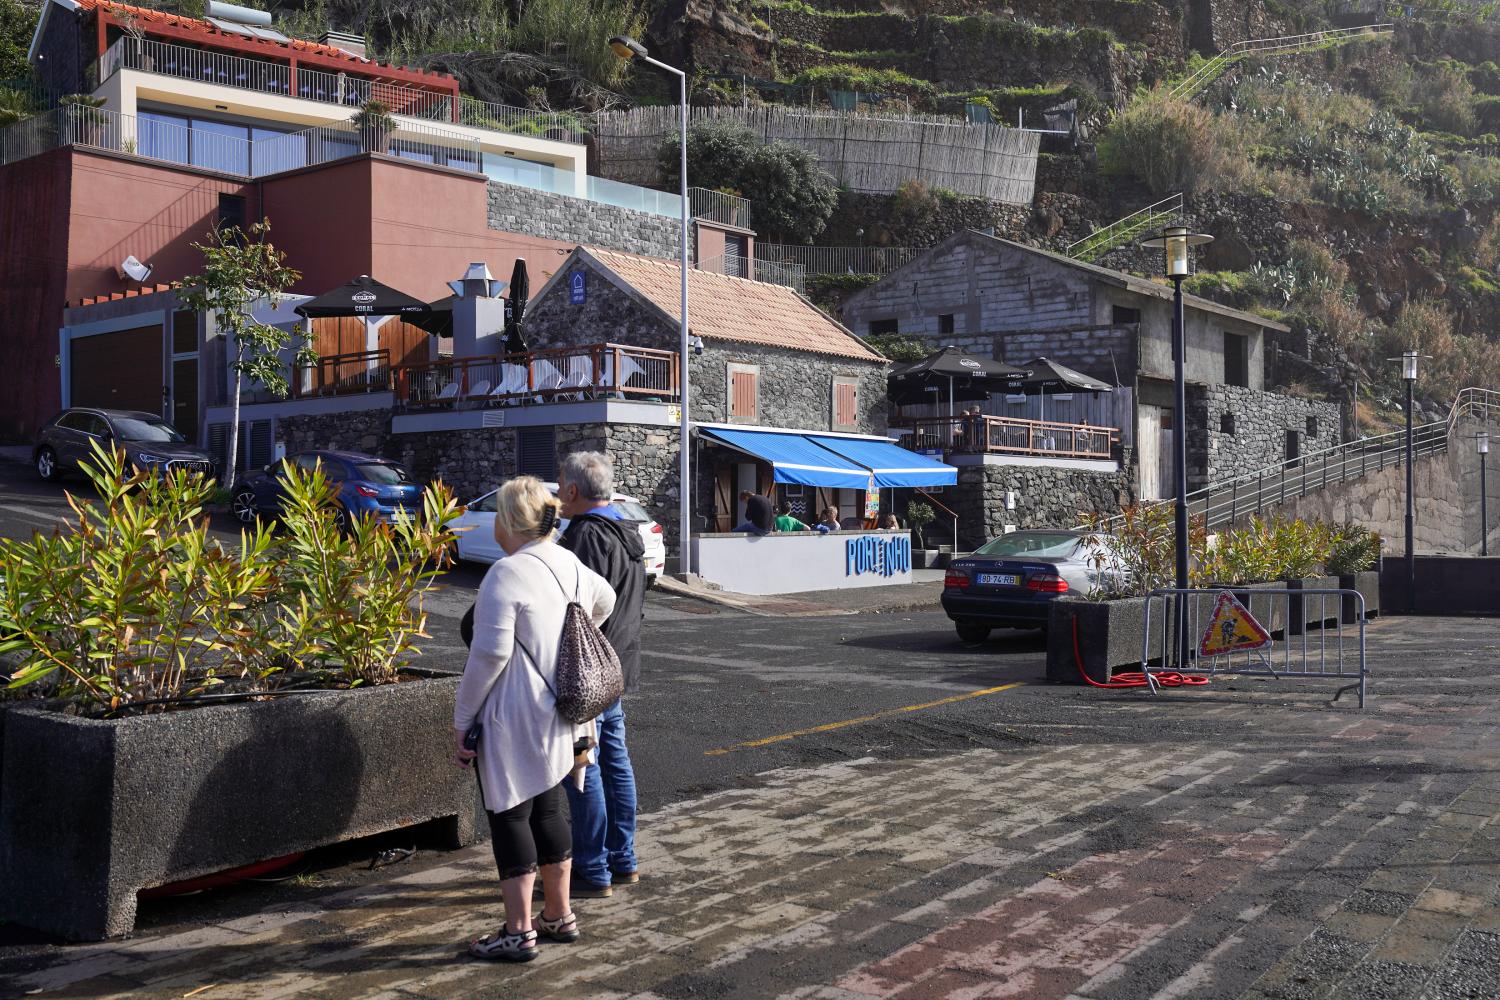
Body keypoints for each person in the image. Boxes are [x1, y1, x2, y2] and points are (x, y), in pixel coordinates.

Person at [453, 476, 616, 962]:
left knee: (510, 815)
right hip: (566, 711)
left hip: (516, 712)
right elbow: (603, 601)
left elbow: (488, 657)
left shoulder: (506, 573)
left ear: (508, 521)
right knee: (549, 809)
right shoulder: (569, 563)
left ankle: (518, 930)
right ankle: (559, 915)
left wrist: (461, 720)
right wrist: (564, 643)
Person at [556, 451, 645, 899]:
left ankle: (593, 868)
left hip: (591, 669)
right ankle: (622, 859)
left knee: (584, 766)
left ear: (573, 490)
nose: (556, 494)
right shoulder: (624, 530)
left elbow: (575, 609)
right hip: (619, 663)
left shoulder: (588, 536)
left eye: (560, 486)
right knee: (614, 759)